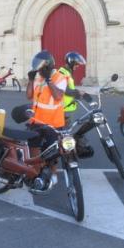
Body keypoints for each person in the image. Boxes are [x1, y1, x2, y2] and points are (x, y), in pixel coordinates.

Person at [26, 50, 67, 185]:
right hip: (36, 120)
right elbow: (29, 95)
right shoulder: (37, 77)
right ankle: (35, 172)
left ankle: (53, 174)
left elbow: (57, 96)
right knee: (34, 148)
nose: (38, 68)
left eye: (41, 65)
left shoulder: (60, 77)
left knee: (52, 152)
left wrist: (48, 80)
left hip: (53, 122)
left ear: (48, 65)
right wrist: (31, 80)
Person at [58, 52, 86, 125]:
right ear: (71, 62)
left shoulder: (67, 72)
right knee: (64, 132)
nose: (78, 66)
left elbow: (69, 87)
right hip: (63, 109)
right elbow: (64, 89)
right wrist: (77, 92)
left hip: (67, 107)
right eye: (76, 64)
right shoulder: (62, 73)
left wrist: (77, 93)